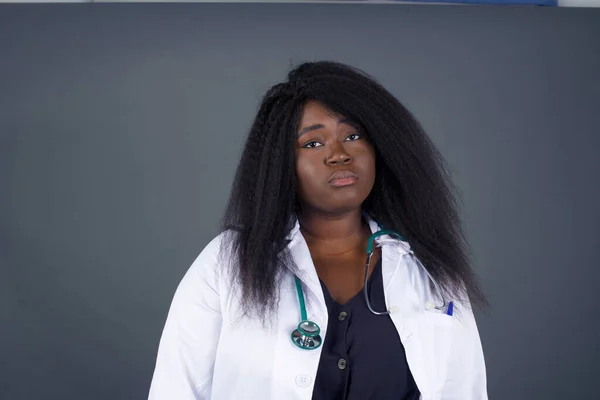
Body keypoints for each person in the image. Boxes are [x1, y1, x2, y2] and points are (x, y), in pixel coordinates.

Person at [147, 60, 488, 400]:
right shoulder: (227, 263)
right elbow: (176, 390)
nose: (339, 155)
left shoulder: (429, 266)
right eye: (313, 143)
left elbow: (464, 390)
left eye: (353, 136)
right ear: (281, 163)